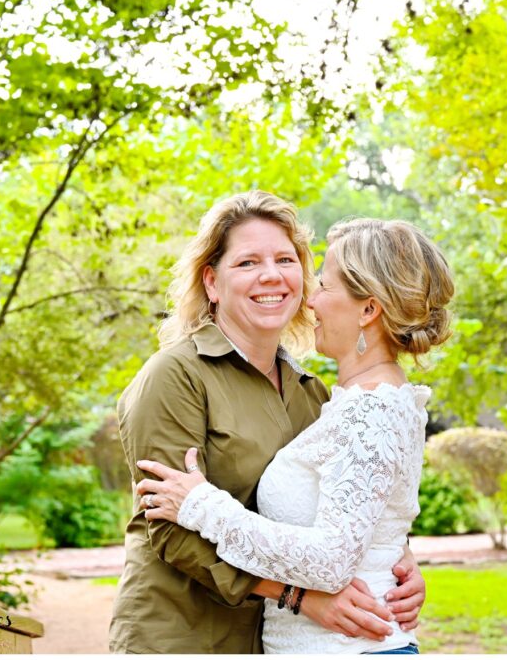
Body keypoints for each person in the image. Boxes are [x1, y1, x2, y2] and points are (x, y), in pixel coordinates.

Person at [109, 193, 428, 653]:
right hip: (183, 634)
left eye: (285, 259)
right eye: (247, 263)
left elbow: (341, 505)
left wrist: (397, 558)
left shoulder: (314, 392)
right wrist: (297, 596)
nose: (271, 275)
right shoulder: (173, 376)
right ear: (212, 282)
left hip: (271, 641)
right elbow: (169, 527)